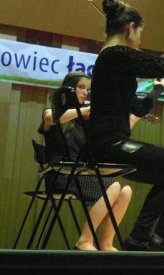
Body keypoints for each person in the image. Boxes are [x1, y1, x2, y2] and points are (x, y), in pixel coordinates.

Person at [88, 0, 164, 252]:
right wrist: (163, 57)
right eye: (140, 33)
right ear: (130, 28)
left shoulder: (111, 60)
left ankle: (138, 238)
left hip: (108, 144)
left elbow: (138, 108)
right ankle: (163, 237)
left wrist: (157, 89)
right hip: (111, 145)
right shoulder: (116, 54)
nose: (139, 40)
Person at [39, 71, 133, 251]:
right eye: (81, 87)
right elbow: (54, 118)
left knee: (125, 191)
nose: (85, 93)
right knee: (113, 186)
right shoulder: (50, 111)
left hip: (80, 174)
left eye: (88, 90)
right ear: (68, 89)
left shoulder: (84, 122)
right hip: (59, 175)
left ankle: (105, 243)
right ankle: (84, 241)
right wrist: (87, 109)